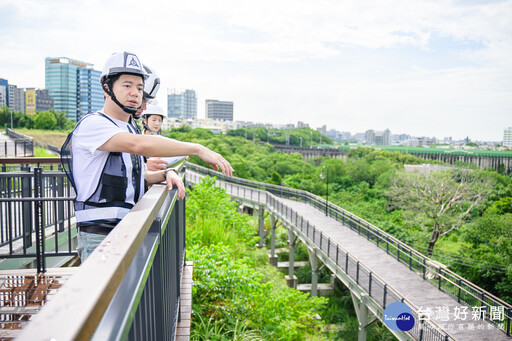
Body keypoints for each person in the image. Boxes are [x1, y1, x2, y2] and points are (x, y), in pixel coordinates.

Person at [61, 51, 234, 262]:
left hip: (127, 229)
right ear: (107, 87)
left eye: (139, 88)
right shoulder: (94, 125)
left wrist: (166, 173)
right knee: (108, 295)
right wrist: (197, 148)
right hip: (101, 234)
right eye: (127, 85)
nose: (135, 93)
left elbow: (135, 179)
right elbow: (141, 145)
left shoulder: (127, 127)